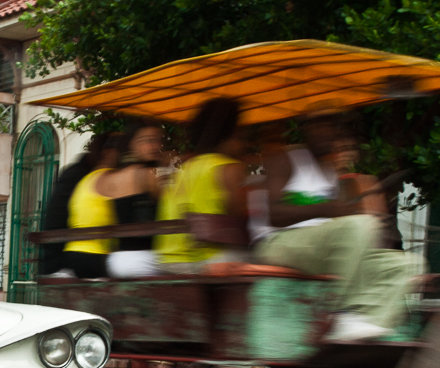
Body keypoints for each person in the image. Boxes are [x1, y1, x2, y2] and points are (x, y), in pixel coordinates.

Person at [253, 109, 418, 341]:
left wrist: (350, 210)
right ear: (305, 129)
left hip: (318, 249)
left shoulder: (332, 172)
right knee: (360, 226)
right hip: (278, 244)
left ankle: (364, 325)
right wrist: (324, 208)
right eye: (319, 125)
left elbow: (341, 225)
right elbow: (273, 215)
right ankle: (339, 315)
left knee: (404, 263)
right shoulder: (286, 159)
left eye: (332, 127)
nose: (327, 133)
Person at [154, 98, 250, 272]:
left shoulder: (182, 168)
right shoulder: (229, 168)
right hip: (207, 262)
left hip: (167, 262)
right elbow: (238, 217)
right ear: (229, 135)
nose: (244, 144)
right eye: (240, 136)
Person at [62, 121, 164, 278]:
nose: (155, 146)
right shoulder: (144, 174)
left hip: (82, 255)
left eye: (158, 140)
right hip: (109, 257)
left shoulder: (90, 179)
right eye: (147, 140)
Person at [40, 132, 120, 276]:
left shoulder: (82, 173)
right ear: (107, 153)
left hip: (68, 254)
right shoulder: (86, 176)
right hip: (64, 259)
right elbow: (57, 217)